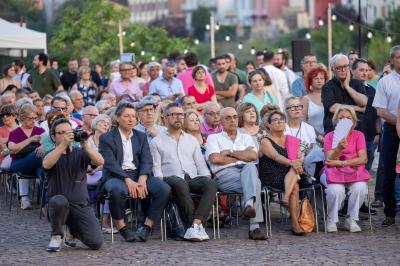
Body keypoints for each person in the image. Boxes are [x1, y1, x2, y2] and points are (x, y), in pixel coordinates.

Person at [98, 102, 171, 242]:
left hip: (138, 174)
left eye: (133, 116)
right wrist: (127, 179)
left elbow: (147, 160)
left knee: (164, 189)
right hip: (115, 176)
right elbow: (110, 164)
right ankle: (122, 227)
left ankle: (147, 227)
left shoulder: (140, 136)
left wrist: (143, 178)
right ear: (118, 118)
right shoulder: (106, 138)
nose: (131, 119)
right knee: (116, 191)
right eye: (127, 116)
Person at [150, 103, 217, 241]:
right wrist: (162, 184)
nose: (178, 118)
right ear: (165, 118)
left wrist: (206, 178)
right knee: (179, 183)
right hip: (170, 178)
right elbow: (156, 168)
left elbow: (201, 165)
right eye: (174, 114)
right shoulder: (156, 141)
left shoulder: (191, 140)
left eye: (181, 114)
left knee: (210, 183)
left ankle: (195, 225)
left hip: (192, 178)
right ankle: (195, 227)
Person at [206, 107, 267, 240]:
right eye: (228, 118)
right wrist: (242, 155)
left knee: (251, 167)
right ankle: (254, 226)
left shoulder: (246, 137)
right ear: (221, 121)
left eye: (234, 117)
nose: (232, 120)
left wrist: (229, 153)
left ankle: (249, 204)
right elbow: (215, 159)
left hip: (246, 170)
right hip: (225, 176)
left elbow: (252, 156)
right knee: (255, 183)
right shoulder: (213, 138)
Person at [43, 118, 104, 252]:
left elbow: (100, 161)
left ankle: (72, 229)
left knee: (96, 242)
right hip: (58, 206)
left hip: (80, 206)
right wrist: (62, 145)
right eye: (62, 132)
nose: (67, 135)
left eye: (69, 132)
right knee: (59, 201)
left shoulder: (80, 153)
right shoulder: (52, 154)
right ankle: (56, 235)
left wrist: (86, 146)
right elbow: (46, 164)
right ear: (54, 137)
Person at [320, 106, 369, 233]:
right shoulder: (329, 137)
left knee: (360, 188)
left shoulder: (359, 135)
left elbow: (363, 159)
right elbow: (329, 161)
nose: (345, 121)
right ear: (336, 120)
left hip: (354, 172)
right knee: (335, 190)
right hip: (332, 173)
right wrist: (339, 149)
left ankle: (351, 218)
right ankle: (332, 218)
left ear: (354, 120)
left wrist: (342, 162)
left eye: (348, 118)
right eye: (341, 118)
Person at [258, 110, 305, 236]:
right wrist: (294, 163)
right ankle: (295, 224)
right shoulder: (265, 141)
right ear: (268, 125)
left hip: (291, 172)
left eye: (282, 119)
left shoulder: (292, 140)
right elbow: (276, 157)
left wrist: (297, 163)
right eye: (275, 120)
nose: (279, 121)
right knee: (295, 182)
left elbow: (300, 157)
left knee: (294, 176)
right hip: (272, 174)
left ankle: (285, 198)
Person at [373, 45, 400, 226]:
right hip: (391, 128)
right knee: (389, 170)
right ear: (391, 60)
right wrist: (399, 122)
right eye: (398, 57)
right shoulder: (385, 81)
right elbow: (381, 110)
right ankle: (390, 212)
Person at [8, 104, 45, 209]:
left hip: (36, 164)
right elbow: (12, 149)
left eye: (35, 118)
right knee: (38, 157)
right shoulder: (15, 133)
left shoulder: (40, 130)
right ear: (22, 118)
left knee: (43, 172)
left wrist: (43, 146)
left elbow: (47, 144)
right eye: (31, 118)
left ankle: (45, 204)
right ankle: (26, 198)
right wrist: (30, 139)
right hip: (19, 164)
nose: (34, 121)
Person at [321, 53, 368, 134]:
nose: (343, 70)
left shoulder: (357, 83)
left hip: (357, 131)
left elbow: (364, 103)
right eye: (339, 68)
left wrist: (347, 86)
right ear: (332, 69)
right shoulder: (327, 87)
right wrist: (359, 108)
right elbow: (333, 108)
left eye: (345, 66)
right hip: (334, 132)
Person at [86, 114, 114, 233]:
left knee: (108, 182)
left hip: (102, 173)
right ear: (95, 124)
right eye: (102, 122)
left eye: (107, 123)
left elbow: (110, 162)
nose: (105, 124)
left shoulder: (110, 142)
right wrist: (88, 167)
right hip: (87, 173)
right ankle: (87, 218)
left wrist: (97, 169)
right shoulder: (87, 140)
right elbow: (83, 158)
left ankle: (104, 219)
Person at [351, 58, 380, 171]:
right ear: (352, 71)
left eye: (367, 70)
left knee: (365, 171)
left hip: (369, 137)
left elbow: (377, 113)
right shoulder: (347, 89)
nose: (365, 73)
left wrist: (378, 133)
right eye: (361, 70)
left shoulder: (372, 90)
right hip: (352, 136)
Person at [284, 97, 324, 177]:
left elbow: (313, 147)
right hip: (289, 166)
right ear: (286, 111)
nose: (296, 109)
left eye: (298, 106)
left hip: (308, 164)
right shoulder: (283, 128)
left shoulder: (309, 128)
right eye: (292, 107)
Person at [301, 66, 327, 135]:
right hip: (312, 138)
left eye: (322, 78)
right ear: (310, 81)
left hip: (330, 138)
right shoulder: (305, 99)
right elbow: (303, 121)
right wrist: (318, 136)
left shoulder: (330, 96)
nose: (319, 81)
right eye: (316, 78)